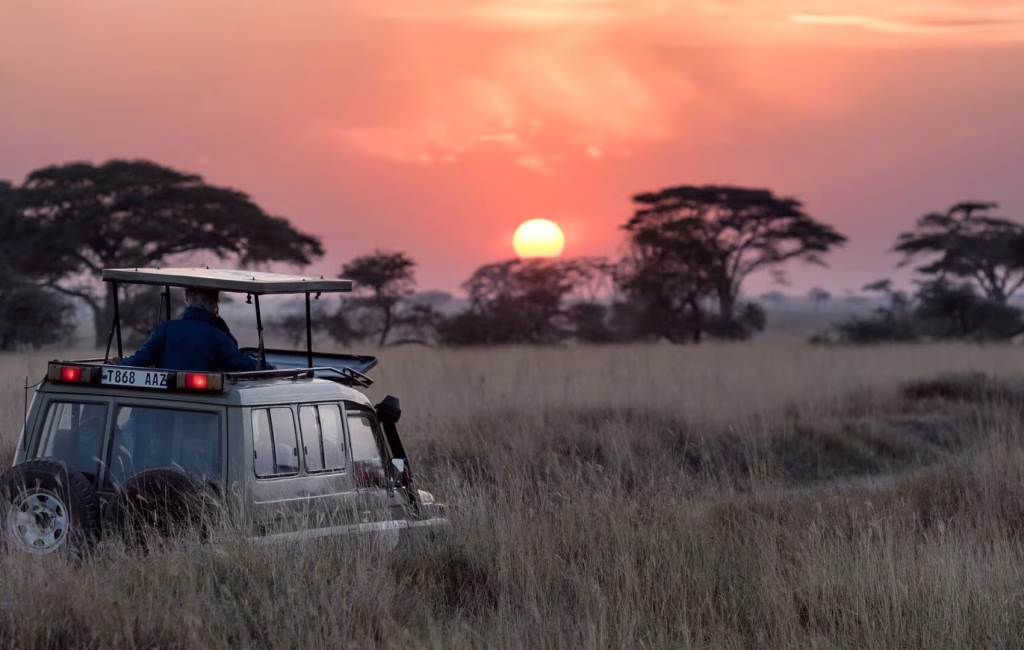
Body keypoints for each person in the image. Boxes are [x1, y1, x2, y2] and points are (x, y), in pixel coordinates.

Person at [117, 287, 266, 372]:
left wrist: (118, 364)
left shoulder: (164, 329)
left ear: (187, 299)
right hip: (206, 405)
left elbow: (141, 359)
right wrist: (266, 367)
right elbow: (238, 362)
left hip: (162, 405)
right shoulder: (218, 335)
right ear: (215, 302)